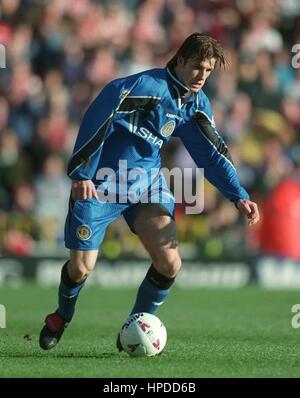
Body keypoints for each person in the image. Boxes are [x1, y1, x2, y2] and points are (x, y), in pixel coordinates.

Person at [39, 33, 260, 351]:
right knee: (81, 268)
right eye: (198, 67)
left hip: (146, 186)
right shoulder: (144, 88)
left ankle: (135, 327)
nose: (202, 76)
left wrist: (238, 194)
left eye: (208, 71)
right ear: (181, 60)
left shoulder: (193, 103)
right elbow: (98, 115)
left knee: (170, 262)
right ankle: (61, 316)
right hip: (100, 185)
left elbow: (211, 152)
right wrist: (83, 172)